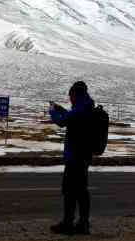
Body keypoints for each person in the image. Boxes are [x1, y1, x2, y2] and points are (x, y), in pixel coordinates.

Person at [48, 80, 95, 235]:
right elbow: (71, 118)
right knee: (81, 191)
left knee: (69, 191)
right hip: (84, 157)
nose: (70, 99)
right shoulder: (87, 107)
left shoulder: (80, 109)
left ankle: (67, 224)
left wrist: (52, 111)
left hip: (75, 157)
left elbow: (62, 121)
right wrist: (62, 109)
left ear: (75, 95)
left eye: (71, 96)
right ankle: (83, 224)